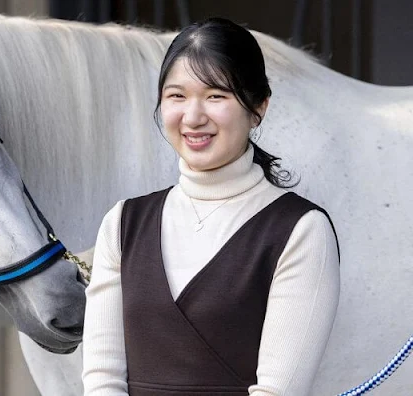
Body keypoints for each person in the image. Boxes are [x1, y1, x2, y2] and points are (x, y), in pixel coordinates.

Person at [81, 17, 340, 396]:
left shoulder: (300, 230)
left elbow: (278, 391)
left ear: (258, 107)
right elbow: (102, 380)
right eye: (177, 96)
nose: (193, 116)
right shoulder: (123, 223)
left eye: (216, 95)